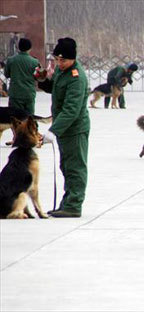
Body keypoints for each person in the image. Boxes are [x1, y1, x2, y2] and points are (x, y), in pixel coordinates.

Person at [37, 37, 90, 218]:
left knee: (75, 167)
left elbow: (71, 110)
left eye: (63, 60)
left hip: (74, 129)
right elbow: (55, 88)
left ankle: (74, 205)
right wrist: (43, 80)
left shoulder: (77, 77)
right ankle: (67, 203)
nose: (60, 63)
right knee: (66, 166)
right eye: (57, 59)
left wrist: (53, 130)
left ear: (72, 59)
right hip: (64, 128)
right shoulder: (62, 71)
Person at [4, 38, 40, 114]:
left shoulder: (11, 60)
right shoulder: (35, 62)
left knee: (16, 119)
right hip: (29, 94)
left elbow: (6, 74)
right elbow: (38, 77)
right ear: (30, 48)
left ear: (19, 47)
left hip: (15, 94)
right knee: (29, 118)